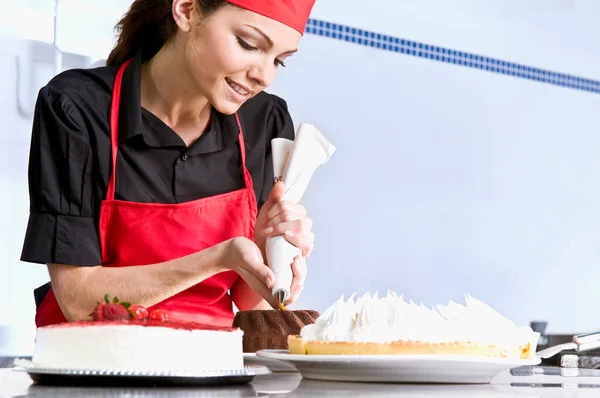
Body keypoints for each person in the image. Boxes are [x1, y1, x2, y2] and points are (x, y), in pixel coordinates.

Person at [21, 0, 317, 328]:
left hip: (211, 367)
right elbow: (78, 299)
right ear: (187, 10)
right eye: (248, 44)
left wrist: (270, 251)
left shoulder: (265, 122)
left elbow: (249, 302)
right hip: (92, 367)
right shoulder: (78, 109)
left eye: (279, 61)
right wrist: (218, 258)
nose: (264, 75)